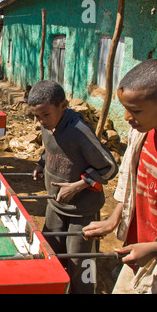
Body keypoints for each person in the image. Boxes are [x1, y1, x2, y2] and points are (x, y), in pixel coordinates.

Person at [27, 80, 118, 294]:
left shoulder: (79, 131)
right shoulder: (47, 125)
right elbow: (49, 149)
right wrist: (41, 164)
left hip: (82, 212)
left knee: (80, 263)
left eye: (45, 115)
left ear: (63, 105)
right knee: (52, 252)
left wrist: (78, 186)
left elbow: (110, 167)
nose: (41, 121)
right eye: (36, 116)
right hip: (55, 206)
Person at [83, 59, 157, 294]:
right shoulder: (141, 135)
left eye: (135, 110)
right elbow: (130, 182)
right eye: (125, 108)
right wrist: (114, 219)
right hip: (138, 250)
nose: (127, 117)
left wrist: (156, 248)